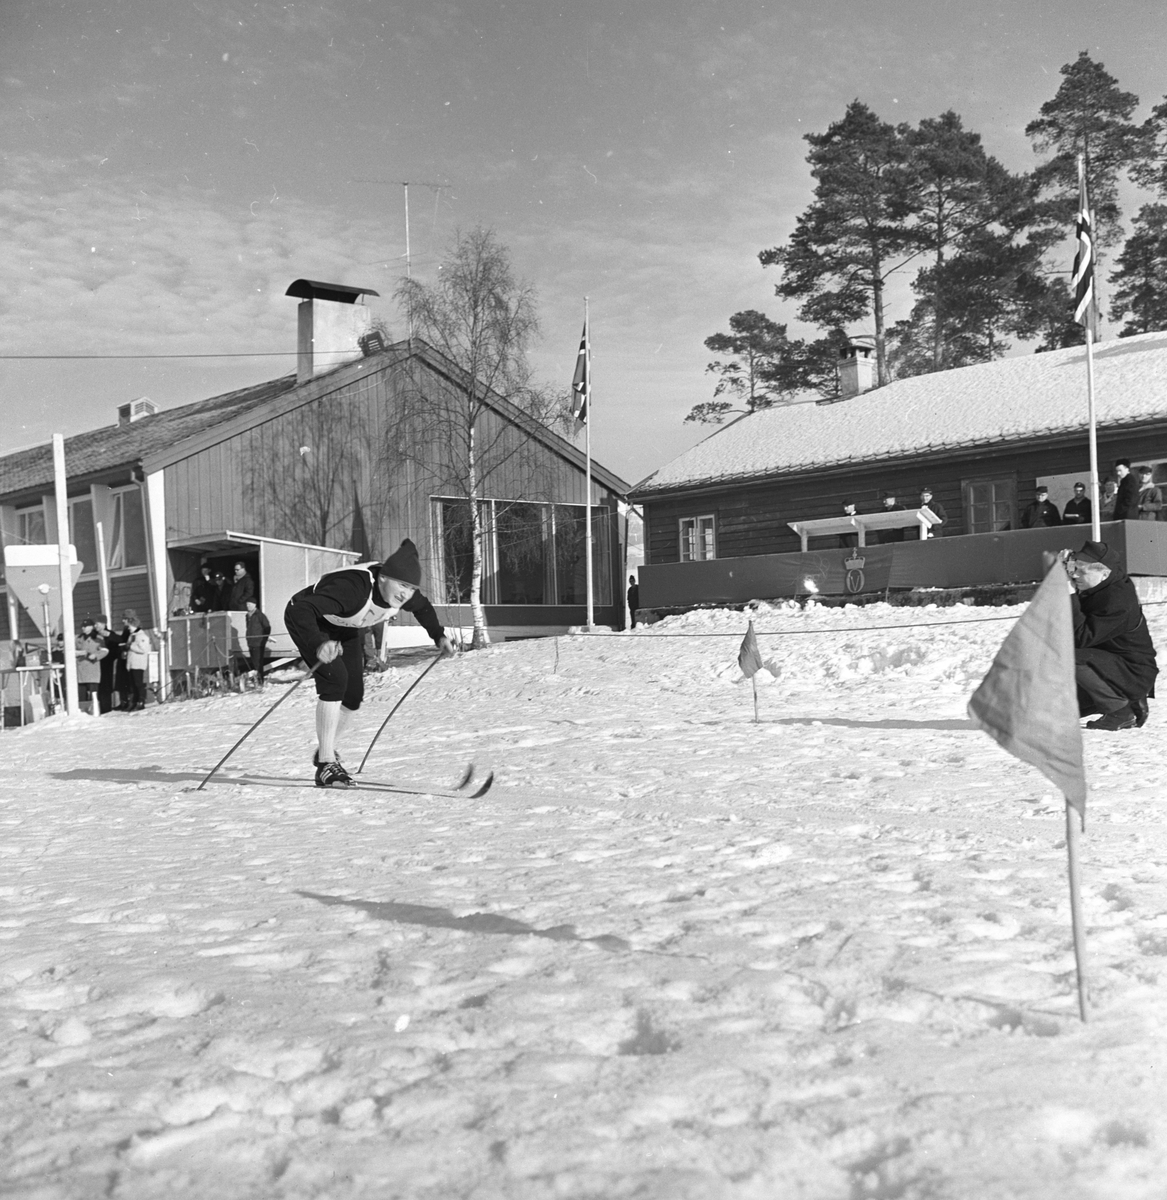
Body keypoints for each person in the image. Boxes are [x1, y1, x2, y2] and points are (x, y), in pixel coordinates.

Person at [284, 539, 455, 787]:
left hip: (348, 626)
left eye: (410, 588)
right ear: (383, 577)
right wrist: (320, 643)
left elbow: (424, 608)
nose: (405, 593)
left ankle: (326, 750)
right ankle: (326, 763)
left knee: (353, 696)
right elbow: (303, 609)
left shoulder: (404, 594)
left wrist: (438, 636)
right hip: (311, 619)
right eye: (401, 585)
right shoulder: (353, 588)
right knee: (335, 680)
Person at [1062, 541, 1158, 731]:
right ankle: (1127, 701)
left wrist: (1069, 593)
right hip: (1106, 666)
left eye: (1081, 571)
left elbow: (1080, 638)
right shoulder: (1103, 585)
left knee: (1067, 654)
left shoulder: (1118, 600)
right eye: (1074, 569)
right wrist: (1066, 565)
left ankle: (1121, 712)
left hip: (1131, 671)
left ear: (1104, 573)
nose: (1074, 575)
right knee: (1052, 713)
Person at [75, 618, 108, 715]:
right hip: (80, 669)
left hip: (92, 668)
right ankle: (82, 712)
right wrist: (77, 653)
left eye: (86, 626)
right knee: (81, 694)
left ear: (91, 627)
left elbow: (105, 651)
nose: (83, 628)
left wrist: (96, 656)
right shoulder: (78, 638)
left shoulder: (98, 638)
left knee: (93, 693)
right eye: (82, 626)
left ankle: (94, 712)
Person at [122, 611, 153, 711]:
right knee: (132, 684)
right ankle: (134, 701)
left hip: (138, 664)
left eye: (130, 626)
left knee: (138, 683)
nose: (128, 628)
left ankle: (141, 701)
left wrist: (130, 646)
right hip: (131, 663)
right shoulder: (132, 635)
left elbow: (143, 649)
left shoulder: (142, 636)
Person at [93, 615, 117, 714]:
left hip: (106, 664)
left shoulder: (110, 635)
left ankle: (106, 708)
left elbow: (115, 650)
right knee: (97, 687)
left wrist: (107, 657)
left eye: (97, 624)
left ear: (104, 624)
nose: (95, 626)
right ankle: (96, 708)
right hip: (95, 664)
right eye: (94, 624)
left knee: (106, 686)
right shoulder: (93, 635)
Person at [244, 600, 271, 685]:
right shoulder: (247, 616)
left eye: (249, 604)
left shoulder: (260, 615)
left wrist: (264, 639)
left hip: (259, 643)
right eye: (246, 604)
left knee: (258, 663)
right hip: (251, 642)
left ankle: (260, 681)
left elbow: (267, 627)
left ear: (254, 605)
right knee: (254, 662)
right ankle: (256, 680)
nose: (247, 606)